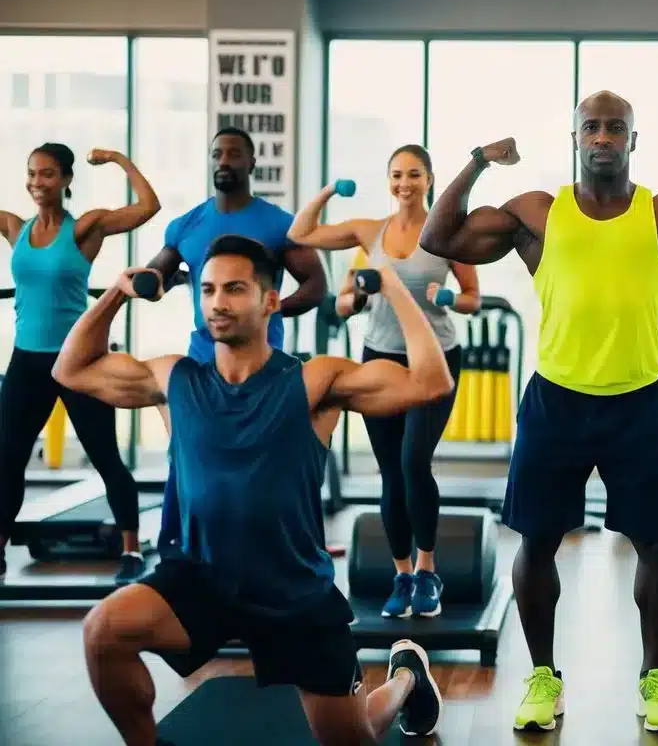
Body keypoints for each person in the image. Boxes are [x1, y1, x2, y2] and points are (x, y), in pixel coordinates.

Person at [417, 91, 658, 734]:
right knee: (536, 541)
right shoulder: (539, 212)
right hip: (556, 398)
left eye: (617, 128)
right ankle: (541, 675)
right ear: (576, 137)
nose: (605, 137)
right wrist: (477, 161)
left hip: (639, 400)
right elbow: (438, 235)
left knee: (655, 543)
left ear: (634, 141)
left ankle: (655, 677)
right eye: (593, 127)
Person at [54, 236, 452, 746]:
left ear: (269, 301)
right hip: (201, 577)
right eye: (208, 289)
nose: (218, 302)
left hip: (294, 590)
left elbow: (429, 384)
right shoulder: (174, 378)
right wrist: (114, 293)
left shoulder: (314, 381)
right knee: (103, 630)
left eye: (235, 289)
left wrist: (393, 285)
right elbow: (70, 370)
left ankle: (407, 679)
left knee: (350, 738)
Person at [288, 144, 481, 621]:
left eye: (413, 174)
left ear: (430, 179)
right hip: (378, 358)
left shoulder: (446, 235)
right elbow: (301, 232)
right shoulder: (369, 232)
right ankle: (402, 574)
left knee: (415, 461)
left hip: (435, 361)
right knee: (391, 471)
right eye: (396, 175)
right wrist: (333, 190)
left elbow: (474, 298)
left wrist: (450, 297)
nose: (404, 183)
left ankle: (428, 570)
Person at [142, 127, 328, 555]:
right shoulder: (186, 224)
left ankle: (286, 557)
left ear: (251, 164)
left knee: (268, 466)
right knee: (187, 459)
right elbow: (157, 276)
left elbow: (316, 285)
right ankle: (179, 555)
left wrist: (265, 311)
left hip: (264, 369)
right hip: (201, 366)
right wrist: (147, 281)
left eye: (233, 154)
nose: (223, 160)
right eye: (217, 154)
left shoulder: (279, 224)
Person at [0, 143, 161, 582]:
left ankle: (131, 550)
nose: (37, 183)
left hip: (79, 362)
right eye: (32, 174)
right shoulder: (15, 228)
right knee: (8, 460)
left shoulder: (85, 229)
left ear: (67, 179)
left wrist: (117, 160)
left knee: (105, 457)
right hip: (26, 363)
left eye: (48, 174)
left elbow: (149, 206)